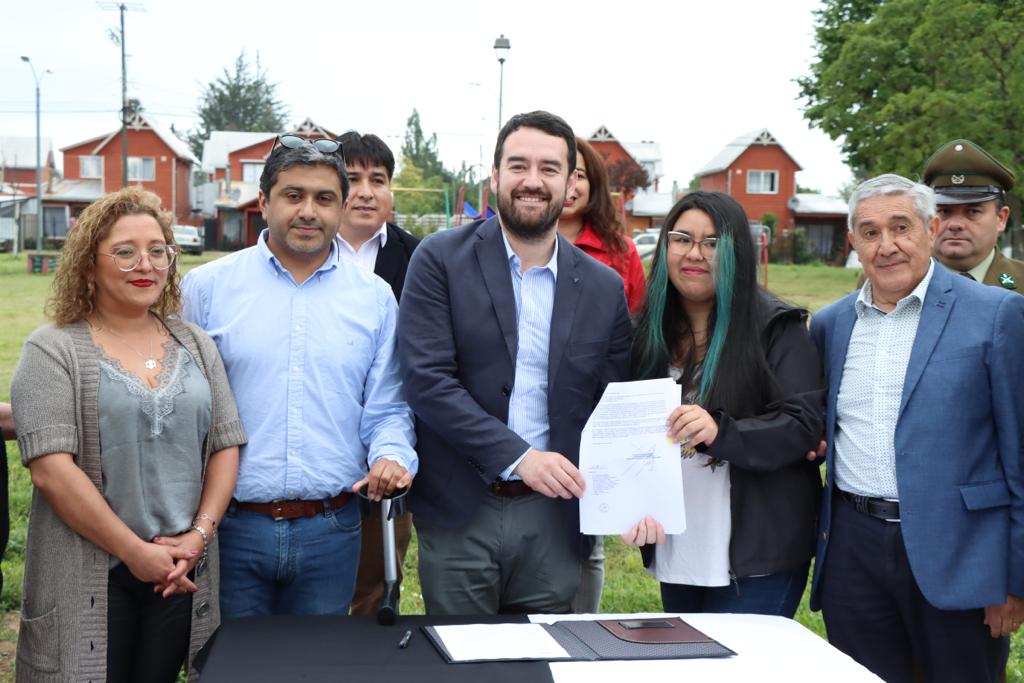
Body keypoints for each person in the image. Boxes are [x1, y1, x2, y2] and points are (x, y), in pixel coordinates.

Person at [399, 110, 632, 615]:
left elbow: (613, 404)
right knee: (460, 652)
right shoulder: (439, 260)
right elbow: (427, 382)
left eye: (549, 168)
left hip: (555, 515)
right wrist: (520, 456)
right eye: (518, 165)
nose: (532, 181)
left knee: (541, 653)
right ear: (495, 175)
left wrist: (636, 496)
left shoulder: (603, 287)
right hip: (462, 508)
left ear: (571, 183)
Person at [10, 187, 245, 682]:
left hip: (179, 570)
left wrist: (198, 537)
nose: (146, 265)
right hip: (91, 571)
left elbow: (225, 443)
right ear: (88, 267)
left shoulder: (196, 345)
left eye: (158, 251)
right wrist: (135, 553)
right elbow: (51, 471)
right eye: (125, 252)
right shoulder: (51, 350)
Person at [181, 134, 416, 619]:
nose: (308, 211)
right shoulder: (206, 290)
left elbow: (388, 405)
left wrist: (392, 454)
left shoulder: (374, 299)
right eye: (294, 195)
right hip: (231, 527)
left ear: (341, 207)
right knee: (230, 657)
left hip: (332, 530)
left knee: (318, 657)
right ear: (263, 201)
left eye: (324, 198)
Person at [809, 174, 1024, 683]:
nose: (887, 245)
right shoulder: (831, 324)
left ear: (930, 229)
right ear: (853, 243)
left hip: (961, 555)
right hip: (854, 552)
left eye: (901, 227)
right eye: (870, 232)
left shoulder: (996, 314)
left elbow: (1019, 454)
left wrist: (1015, 579)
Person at [619, 191, 824, 617]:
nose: (695, 254)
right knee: (687, 654)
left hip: (758, 555)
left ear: (737, 252)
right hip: (679, 545)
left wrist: (720, 432)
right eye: (682, 239)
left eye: (712, 243)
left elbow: (803, 425)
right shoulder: (645, 334)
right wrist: (629, 505)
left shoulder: (776, 327)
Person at [559, 136, 646, 613]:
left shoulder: (619, 251)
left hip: (596, 412)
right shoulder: (517, 243)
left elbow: (636, 334)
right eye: (563, 172)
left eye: (581, 175)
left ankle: (583, 622)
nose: (570, 185)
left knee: (585, 535)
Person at [335, 130, 421, 617]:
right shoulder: (301, 253)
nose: (366, 192)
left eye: (378, 179)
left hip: (390, 449)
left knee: (376, 587)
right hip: (322, 449)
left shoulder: (420, 259)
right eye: (352, 179)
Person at [558, 137, 646, 315]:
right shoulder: (522, 247)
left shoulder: (623, 250)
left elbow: (639, 321)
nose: (569, 184)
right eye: (557, 172)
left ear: (593, 184)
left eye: (579, 175)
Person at [923, 139, 1024, 289]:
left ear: (1001, 218)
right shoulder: (899, 286)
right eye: (944, 211)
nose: (955, 225)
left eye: (972, 212)